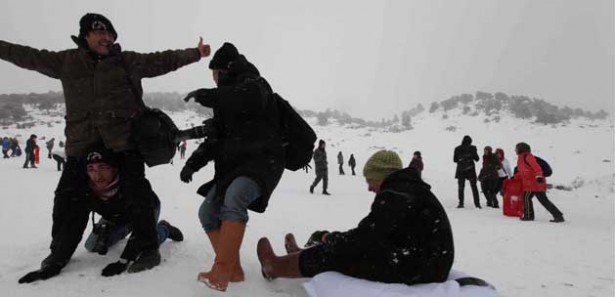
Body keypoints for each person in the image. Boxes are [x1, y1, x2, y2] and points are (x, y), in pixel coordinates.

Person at [4, 13, 211, 284]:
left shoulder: (126, 61)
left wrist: (194, 53)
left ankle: (149, 248)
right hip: (81, 145)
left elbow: (162, 60)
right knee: (67, 200)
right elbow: (27, 55)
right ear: (84, 36)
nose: (106, 38)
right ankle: (58, 254)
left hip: (123, 143)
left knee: (137, 196)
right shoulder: (66, 62)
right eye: (99, 33)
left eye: (110, 35)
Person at [257, 150, 454, 285]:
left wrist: (329, 239)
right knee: (342, 247)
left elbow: (364, 238)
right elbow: (376, 233)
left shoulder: (397, 194)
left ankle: (274, 267)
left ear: (383, 176)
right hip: (423, 262)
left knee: (334, 254)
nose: (369, 187)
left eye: (370, 180)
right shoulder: (407, 190)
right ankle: (299, 256)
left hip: (419, 267)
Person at [181, 42, 285, 292]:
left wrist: (207, 95)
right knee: (207, 212)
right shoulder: (225, 104)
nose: (214, 79)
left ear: (225, 70)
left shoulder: (255, 85)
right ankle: (234, 270)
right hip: (234, 168)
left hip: (262, 163)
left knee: (235, 196)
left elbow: (246, 98)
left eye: (215, 73)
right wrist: (192, 165)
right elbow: (214, 140)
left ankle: (222, 270)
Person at [17, 147, 183, 283]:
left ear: (115, 169)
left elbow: (142, 210)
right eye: (91, 169)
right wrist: (59, 258)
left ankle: (163, 228)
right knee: (92, 246)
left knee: (145, 241)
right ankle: (127, 227)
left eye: (103, 168)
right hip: (115, 217)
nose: (97, 175)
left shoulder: (130, 186)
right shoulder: (86, 190)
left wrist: (125, 258)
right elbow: (74, 225)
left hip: (145, 211)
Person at [514, 143, 564, 222]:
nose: (515, 150)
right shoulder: (521, 158)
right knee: (543, 200)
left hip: (534, 182)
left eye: (516, 148)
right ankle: (558, 215)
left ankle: (528, 216)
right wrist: (516, 176)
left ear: (521, 149)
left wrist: (539, 176)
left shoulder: (528, 156)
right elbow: (524, 171)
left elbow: (537, 167)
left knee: (526, 197)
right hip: (533, 183)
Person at [453, 135, 481, 208]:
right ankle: (477, 204)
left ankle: (461, 203)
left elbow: (455, 160)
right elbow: (477, 159)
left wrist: (461, 158)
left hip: (461, 170)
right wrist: (470, 155)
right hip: (470, 170)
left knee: (461, 187)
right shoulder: (472, 148)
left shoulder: (457, 148)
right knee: (474, 187)